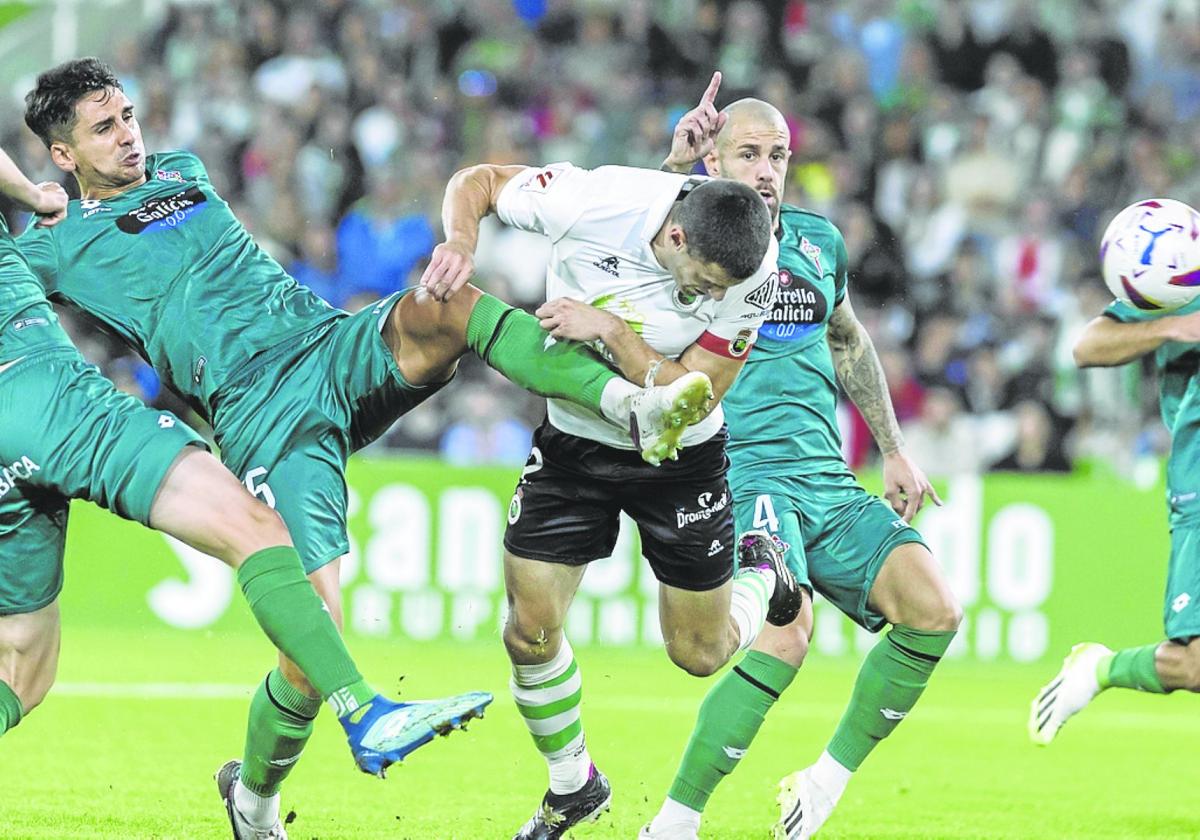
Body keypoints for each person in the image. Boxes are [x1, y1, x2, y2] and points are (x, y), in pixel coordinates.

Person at [18, 57, 706, 840]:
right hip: (261, 412)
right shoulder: (53, 245)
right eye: (103, 130)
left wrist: (670, 174)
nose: (130, 138)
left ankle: (632, 405)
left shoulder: (183, 168)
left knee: (445, 306)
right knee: (313, 650)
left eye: (130, 117)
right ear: (63, 154)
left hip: (329, 345)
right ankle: (252, 801)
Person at [0, 145, 490, 802]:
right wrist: (33, 197)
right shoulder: (49, 239)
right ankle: (366, 713)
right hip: (44, 400)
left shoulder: (173, 179)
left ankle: (260, 799)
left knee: (23, 668)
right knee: (259, 532)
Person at [421, 130, 804, 839]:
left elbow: (693, 393)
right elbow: (476, 179)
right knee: (528, 633)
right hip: (575, 444)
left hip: (680, 458)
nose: (712, 296)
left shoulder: (755, 266)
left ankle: (764, 572)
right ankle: (573, 787)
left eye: (722, 291)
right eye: (704, 281)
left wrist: (605, 330)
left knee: (698, 655)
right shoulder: (595, 200)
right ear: (677, 233)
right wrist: (462, 244)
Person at [641, 76, 962, 840]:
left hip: (828, 479)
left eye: (777, 155)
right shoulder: (681, 232)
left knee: (935, 613)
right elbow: (622, 256)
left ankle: (824, 781)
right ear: (714, 161)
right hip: (741, 470)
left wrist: (894, 450)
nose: (766, 169)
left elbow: (849, 340)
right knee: (787, 628)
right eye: (748, 153)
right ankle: (675, 822)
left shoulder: (819, 242)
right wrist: (668, 163)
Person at [1030, 293, 1200, 743]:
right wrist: (1173, 328)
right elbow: (1088, 345)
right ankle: (1099, 669)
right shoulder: (1185, 279)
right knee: (1194, 662)